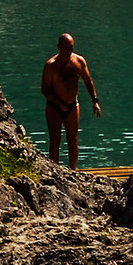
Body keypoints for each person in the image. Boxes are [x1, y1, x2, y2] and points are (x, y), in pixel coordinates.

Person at [41, 32, 101, 169]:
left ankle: (73, 171)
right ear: (58, 47)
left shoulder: (79, 61)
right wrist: (59, 103)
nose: (68, 51)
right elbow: (45, 90)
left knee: (73, 141)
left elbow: (88, 81)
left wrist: (95, 101)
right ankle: (54, 171)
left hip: (72, 106)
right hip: (54, 107)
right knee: (55, 141)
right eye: (65, 47)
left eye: (71, 47)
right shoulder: (51, 65)